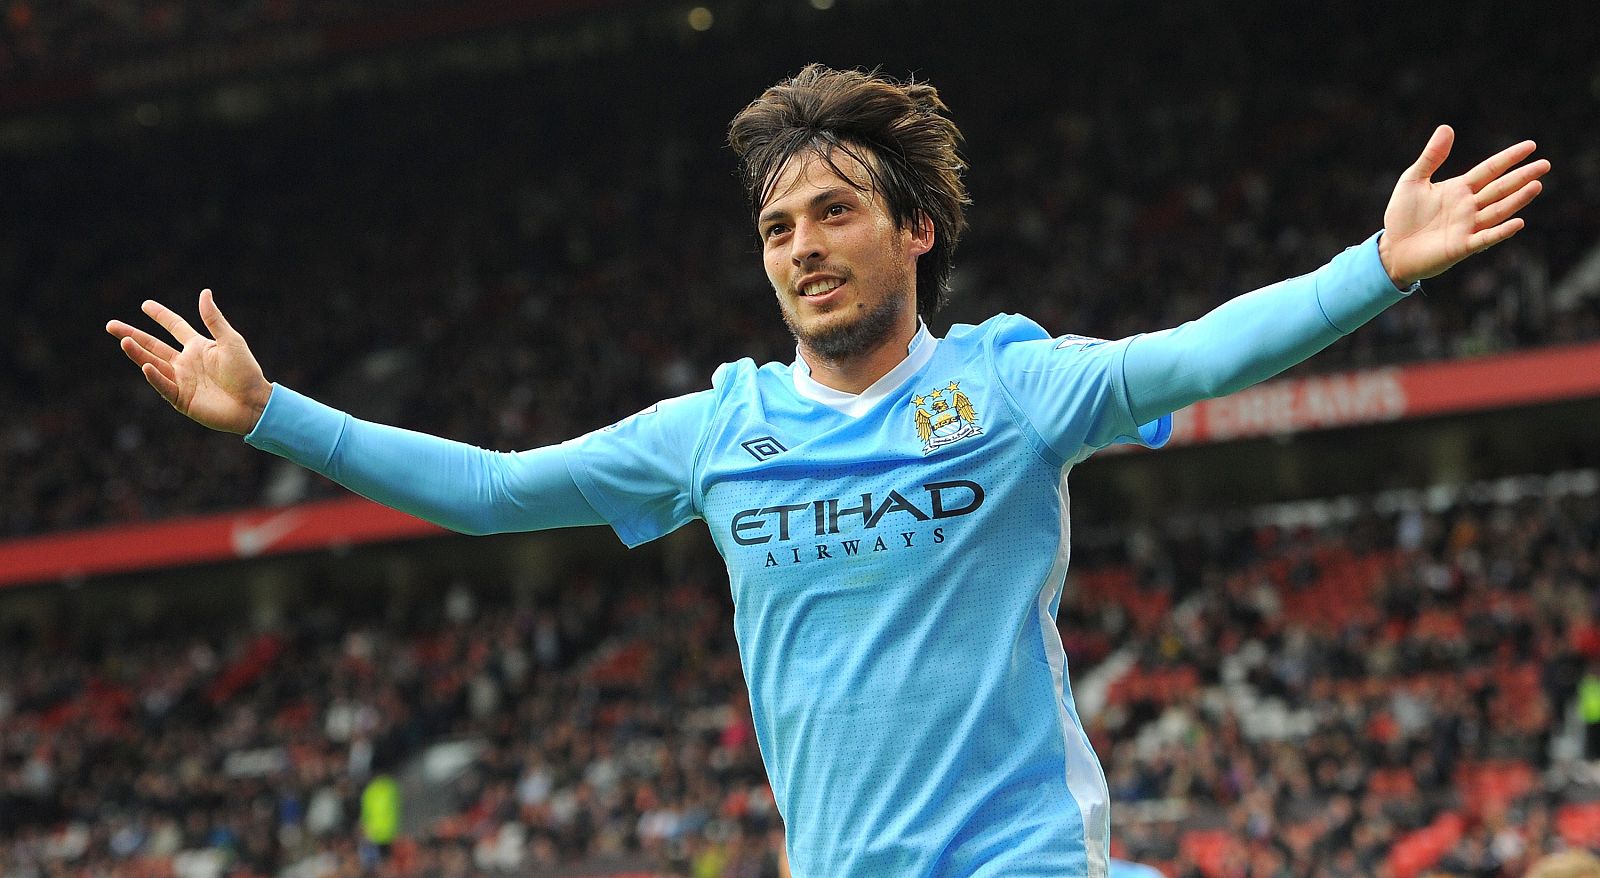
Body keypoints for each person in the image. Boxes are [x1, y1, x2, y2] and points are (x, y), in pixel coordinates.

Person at [108, 65, 1548, 878]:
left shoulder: (1011, 385)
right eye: (777, 226)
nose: (800, 243)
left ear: (913, 230)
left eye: (834, 211)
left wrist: (1378, 269)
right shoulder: (716, 431)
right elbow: (489, 490)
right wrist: (269, 414)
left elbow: (1194, 357)